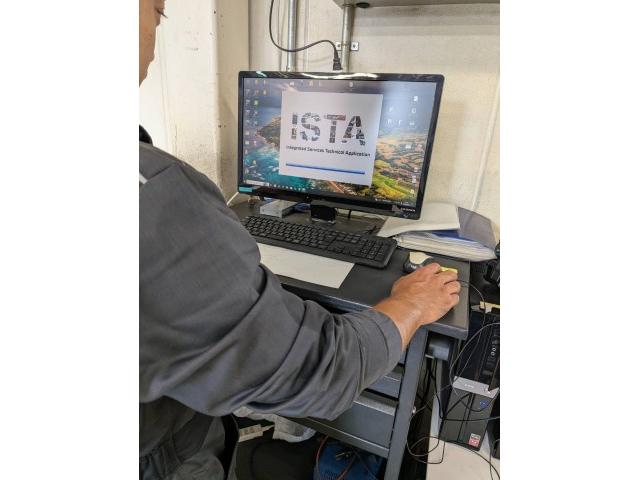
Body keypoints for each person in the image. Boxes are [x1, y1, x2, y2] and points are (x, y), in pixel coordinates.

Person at [139, 1, 461, 479]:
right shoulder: (154, 192)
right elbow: (319, 372)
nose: (157, 25)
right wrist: (410, 306)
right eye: (157, 11)